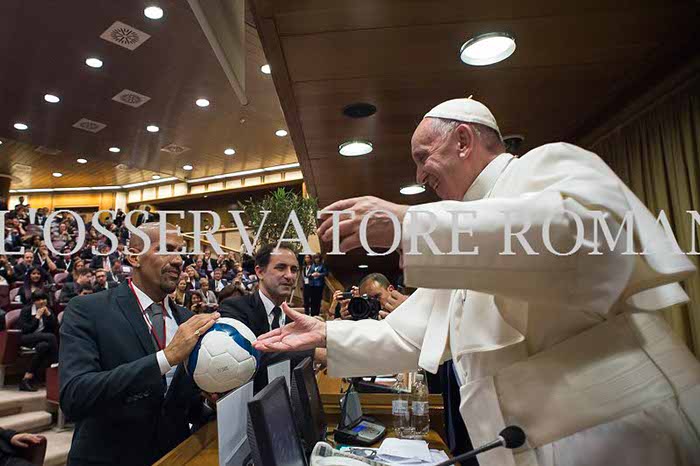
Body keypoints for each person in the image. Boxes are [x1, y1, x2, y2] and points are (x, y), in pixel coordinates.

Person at [253, 98, 700, 466]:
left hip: (631, 436)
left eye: (423, 157)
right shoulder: (462, 234)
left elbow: (582, 238)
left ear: (463, 140)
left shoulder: (546, 165)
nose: (419, 176)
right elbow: (408, 334)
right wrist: (326, 333)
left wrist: (412, 223)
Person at [59, 222, 220, 466]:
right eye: (166, 249)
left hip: (174, 457)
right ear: (134, 257)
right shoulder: (87, 310)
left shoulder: (187, 319)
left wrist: (210, 402)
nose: (179, 260)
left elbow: (178, 402)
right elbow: (75, 396)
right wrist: (165, 358)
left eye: (180, 251)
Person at [218, 243, 320, 393]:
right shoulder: (235, 308)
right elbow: (249, 356)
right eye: (281, 268)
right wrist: (313, 352)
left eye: (294, 270)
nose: (289, 276)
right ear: (260, 272)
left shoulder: (295, 321)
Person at [18, 290, 58, 392]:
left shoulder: (48, 310)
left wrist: (49, 315)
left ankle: (27, 378)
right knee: (51, 337)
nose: (42, 301)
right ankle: (55, 362)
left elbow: (55, 327)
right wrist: (37, 317)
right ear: (33, 301)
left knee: (43, 346)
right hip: (26, 338)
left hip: (41, 339)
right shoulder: (26, 310)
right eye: (38, 299)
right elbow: (26, 329)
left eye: (44, 299)